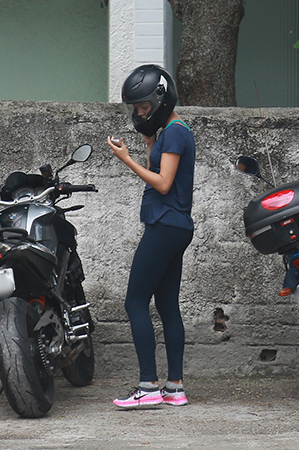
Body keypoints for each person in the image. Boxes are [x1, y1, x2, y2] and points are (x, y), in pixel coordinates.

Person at [107, 64, 195, 409]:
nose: (140, 113)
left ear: (160, 98)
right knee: (167, 305)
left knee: (135, 302)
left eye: (143, 107)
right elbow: (161, 171)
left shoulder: (175, 131)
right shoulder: (170, 131)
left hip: (165, 226)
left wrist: (126, 159)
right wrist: (147, 143)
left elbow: (162, 183)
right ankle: (175, 388)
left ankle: (148, 386)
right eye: (137, 108)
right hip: (175, 225)